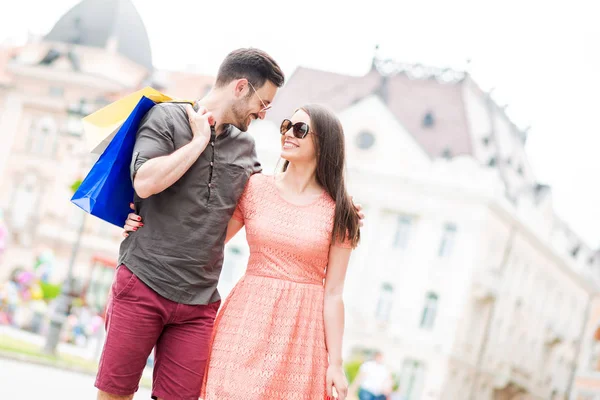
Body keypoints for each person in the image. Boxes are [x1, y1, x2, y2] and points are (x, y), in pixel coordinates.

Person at [127, 104, 361, 399]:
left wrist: (336, 363)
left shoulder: (342, 212)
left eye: (300, 129)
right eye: (286, 125)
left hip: (303, 331)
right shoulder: (255, 188)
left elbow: (334, 293)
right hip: (246, 318)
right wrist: (144, 221)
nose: (288, 133)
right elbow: (207, 239)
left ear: (325, 143)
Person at [95, 48, 285, 400]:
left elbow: (265, 203)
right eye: (265, 102)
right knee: (115, 394)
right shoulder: (167, 118)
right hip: (143, 282)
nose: (265, 112)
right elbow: (145, 182)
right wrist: (199, 141)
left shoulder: (247, 148)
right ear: (241, 87)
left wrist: (341, 208)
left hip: (199, 303)